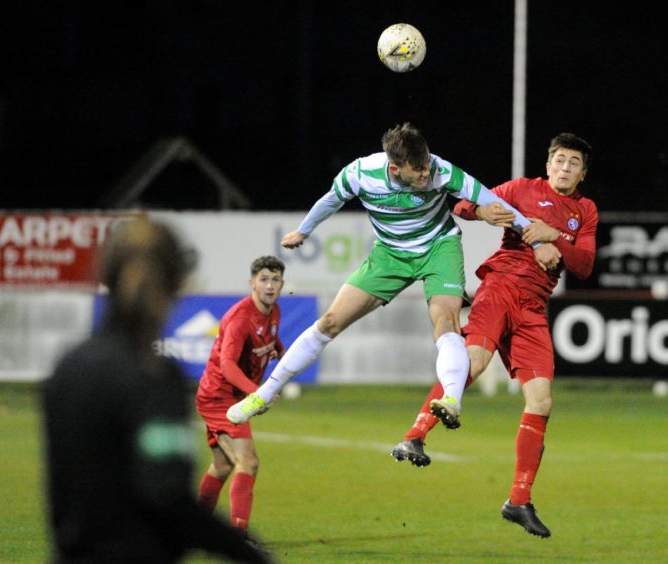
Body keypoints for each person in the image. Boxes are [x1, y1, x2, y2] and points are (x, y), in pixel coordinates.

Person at [226, 122, 560, 427]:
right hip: (390, 254)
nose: (428, 174)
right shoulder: (360, 173)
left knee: (445, 321)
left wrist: (535, 239)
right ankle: (263, 394)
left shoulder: (441, 169)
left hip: (438, 247)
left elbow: (492, 201)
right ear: (395, 168)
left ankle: (452, 399)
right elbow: (332, 200)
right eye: (419, 172)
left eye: (428, 166)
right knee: (329, 322)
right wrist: (304, 230)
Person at [391, 133, 598, 539]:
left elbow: (585, 265)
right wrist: (483, 212)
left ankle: (518, 501)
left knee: (542, 400)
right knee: (475, 361)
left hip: (534, 308)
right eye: (559, 159)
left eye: (574, 163)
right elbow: (466, 204)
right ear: (548, 164)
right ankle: (414, 438)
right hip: (500, 287)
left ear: (582, 174)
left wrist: (553, 236)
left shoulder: (585, 210)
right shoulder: (521, 189)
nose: (565, 167)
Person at [42, 217, 269, 563]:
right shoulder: (154, 377)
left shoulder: (67, 368)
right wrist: (245, 553)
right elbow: (167, 498)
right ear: (176, 283)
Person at [195, 256, 286, 533]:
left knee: (222, 466)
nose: (270, 285)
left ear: (282, 283)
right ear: (252, 283)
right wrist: (257, 394)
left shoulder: (274, 312)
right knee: (249, 461)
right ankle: (239, 533)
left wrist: (283, 357)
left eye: (275, 279)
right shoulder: (239, 319)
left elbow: (273, 340)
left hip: (234, 397)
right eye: (264, 279)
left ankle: (194, 528)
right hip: (219, 397)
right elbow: (227, 365)